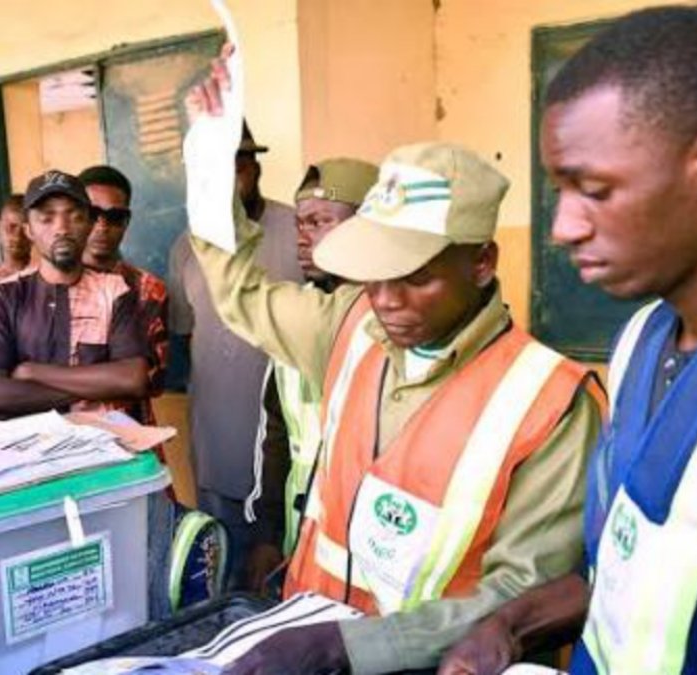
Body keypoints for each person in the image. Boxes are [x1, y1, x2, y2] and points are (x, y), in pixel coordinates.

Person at [184, 47, 605, 675]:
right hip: (304, 638)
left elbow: (521, 593)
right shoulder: (349, 325)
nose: (386, 300)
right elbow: (243, 296)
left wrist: (352, 649)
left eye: (416, 278)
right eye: (373, 275)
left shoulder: (552, 403)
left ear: (483, 261)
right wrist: (209, 170)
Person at [438, 8, 697, 675]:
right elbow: (629, 574)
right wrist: (508, 625)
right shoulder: (643, 339)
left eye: (593, 190)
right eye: (558, 188)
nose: (562, 226)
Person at [167, 120, 303, 589]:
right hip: (218, 450)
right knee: (221, 578)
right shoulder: (187, 246)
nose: (227, 179)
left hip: (288, 461)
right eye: (212, 171)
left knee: (282, 585)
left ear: (254, 166)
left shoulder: (297, 231)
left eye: (237, 164)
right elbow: (188, 336)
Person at [242, 157, 378, 593]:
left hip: (366, 550)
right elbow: (275, 434)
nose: (303, 237)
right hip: (298, 535)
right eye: (300, 223)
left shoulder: (394, 324)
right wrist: (266, 534)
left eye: (319, 222)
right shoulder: (299, 314)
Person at [0, 169, 150, 419]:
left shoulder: (115, 291)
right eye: (46, 219)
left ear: (89, 224)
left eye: (75, 217)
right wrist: (94, 388)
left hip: (105, 441)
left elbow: (133, 379)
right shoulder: (4, 297)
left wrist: (33, 372)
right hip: (28, 447)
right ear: (29, 230)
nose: (62, 229)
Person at [78, 164, 170, 424]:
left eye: (114, 217)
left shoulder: (149, 289)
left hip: (132, 436)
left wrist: (61, 378)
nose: (102, 226)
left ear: (126, 222)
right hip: (66, 442)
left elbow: (149, 382)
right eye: (92, 213)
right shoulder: (49, 287)